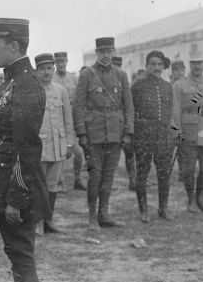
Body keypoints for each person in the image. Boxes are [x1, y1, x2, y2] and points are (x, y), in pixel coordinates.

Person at [0, 18, 51, 282]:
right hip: (2, 178)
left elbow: (27, 146)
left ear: (15, 46)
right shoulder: (13, 81)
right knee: (16, 255)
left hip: (17, 187)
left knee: (21, 257)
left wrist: (17, 198)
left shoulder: (27, 85)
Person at [73, 37, 134, 231]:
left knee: (108, 176)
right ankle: (92, 217)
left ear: (114, 51)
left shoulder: (121, 74)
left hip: (115, 134)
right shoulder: (87, 75)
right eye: (102, 51)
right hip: (93, 135)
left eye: (109, 51)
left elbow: (128, 106)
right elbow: (79, 106)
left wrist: (128, 132)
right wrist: (82, 133)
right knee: (95, 176)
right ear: (97, 53)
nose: (106, 55)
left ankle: (104, 214)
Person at [172, 51, 203, 213]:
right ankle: (191, 200)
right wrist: (176, 133)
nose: (197, 66)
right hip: (188, 130)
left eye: (200, 63)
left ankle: (200, 198)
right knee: (188, 169)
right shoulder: (179, 85)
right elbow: (175, 111)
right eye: (194, 63)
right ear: (189, 65)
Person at [131, 51, 175, 222]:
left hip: (163, 137)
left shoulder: (167, 86)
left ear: (163, 66)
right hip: (143, 136)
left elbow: (169, 112)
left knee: (164, 174)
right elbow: (131, 111)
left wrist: (173, 135)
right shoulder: (138, 85)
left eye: (159, 64)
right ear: (146, 66)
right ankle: (143, 210)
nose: (156, 68)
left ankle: (163, 209)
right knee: (142, 174)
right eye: (153, 64)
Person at [35, 53, 75, 234]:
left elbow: (68, 119)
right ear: (36, 70)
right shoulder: (33, 91)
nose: (47, 72)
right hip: (40, 147)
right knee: (38, 186)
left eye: (49, 68)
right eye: (42, 69)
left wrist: (69, 143)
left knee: (52, 186)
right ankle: (37, 222)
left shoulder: (61, 90)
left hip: (58, 145)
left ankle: (49, 220)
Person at [53, 51, 85, 191]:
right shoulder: (51, 78)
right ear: (55, 63)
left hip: (70, 120)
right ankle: (59, 182)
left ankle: (77, 180)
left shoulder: (73, 78)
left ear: (66, 61)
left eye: (63, 61)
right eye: (58, 62)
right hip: (56, 119)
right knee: (59, 152)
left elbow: (79, 99)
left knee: (78, 153)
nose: (61, 64)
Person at [111, 56, 136, 191]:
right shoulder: (105, 82)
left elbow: (129, 105)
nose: (117, 68)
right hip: (112, 125)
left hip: (124, 124)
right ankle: (111, 181)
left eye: (119, 65)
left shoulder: (125, 80)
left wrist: (129, 126)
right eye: (115, 65)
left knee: (129, 154)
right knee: (112, 156)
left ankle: (133, 180)